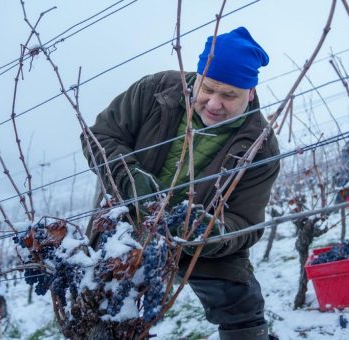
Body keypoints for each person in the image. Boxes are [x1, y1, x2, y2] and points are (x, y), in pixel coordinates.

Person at [83, 27, 280, 339]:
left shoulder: (260, 147)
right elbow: (100, 136)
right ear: (196, 79)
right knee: (100, 308)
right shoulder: (155, 91)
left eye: (229, 95)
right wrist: (130, 179)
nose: (215, 104)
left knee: (241, 303)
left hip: (197, 246)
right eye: (208, 89)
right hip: (126, 225)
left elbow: (247, 222)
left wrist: (209, 232)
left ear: (251, 93)